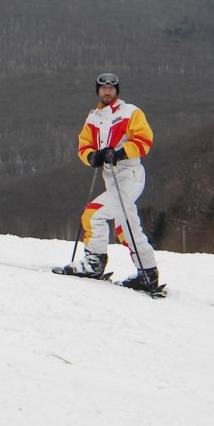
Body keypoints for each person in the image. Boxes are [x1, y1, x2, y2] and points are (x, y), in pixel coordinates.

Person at [59, 72, 162, 293]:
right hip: (111, 177)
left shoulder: (130, 112)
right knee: (127, 227)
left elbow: (145, 139)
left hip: (130, 175)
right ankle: (147, 274)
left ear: (117, 91)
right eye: (103, 88)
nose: (107, 92)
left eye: (111, 88)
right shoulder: (94, 118)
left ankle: (94, 263)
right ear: (98, 90)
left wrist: (120, 153)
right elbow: (84, 147)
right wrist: (93, 157)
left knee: (93, 213)